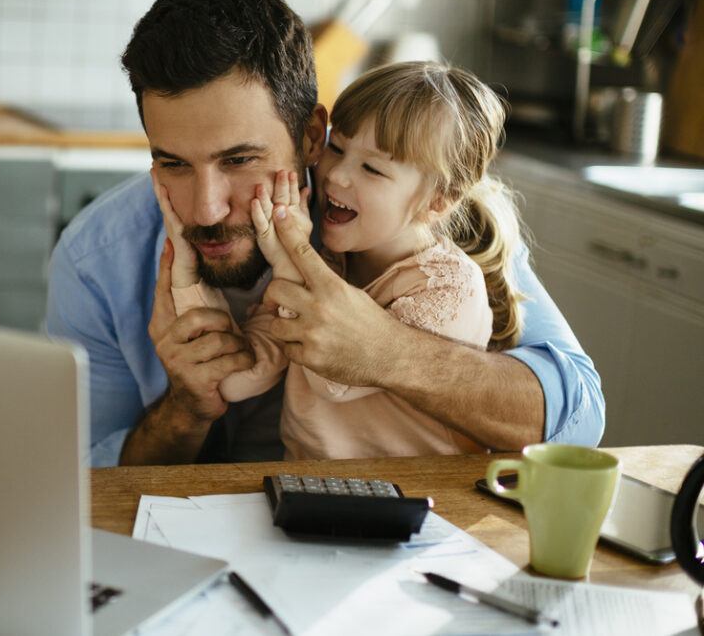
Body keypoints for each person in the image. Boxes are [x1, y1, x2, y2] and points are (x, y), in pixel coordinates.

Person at [45, 0, 604, 467]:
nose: (206, 210)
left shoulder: (417, 222)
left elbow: (577, 416)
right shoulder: (98, 258)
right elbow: (85, 480)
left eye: (240, 161)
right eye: (173, 163)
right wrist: (187, 406)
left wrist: (387, 351)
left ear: (314, 136)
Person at [161, 61, 526, 459]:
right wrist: (186, 276)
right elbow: (238, 381)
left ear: (438, 201)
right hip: (313, 492)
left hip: (417, 500)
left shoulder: (449, 287)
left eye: (372, 168)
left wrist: (288, 260)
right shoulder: (331, 263)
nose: (336, 176)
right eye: (337, 148)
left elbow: (334, 378)